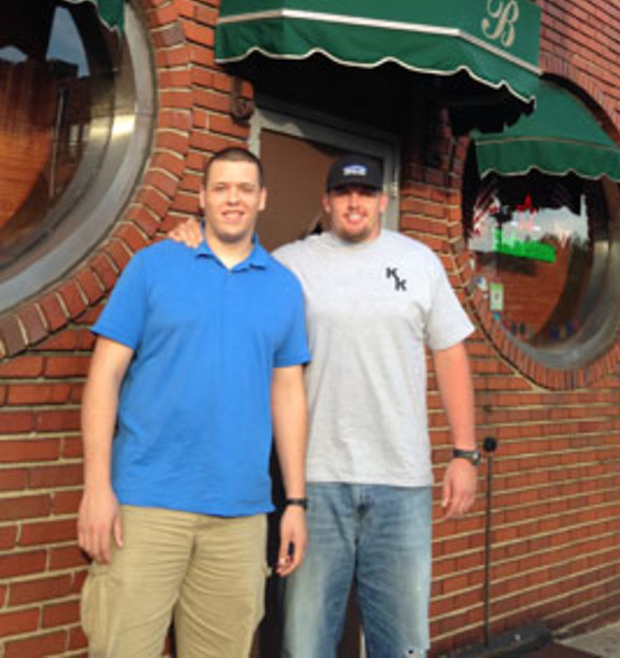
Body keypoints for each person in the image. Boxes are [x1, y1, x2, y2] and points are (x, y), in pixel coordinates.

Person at [77, 146, 310, 658]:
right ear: (202, 197)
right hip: (143, 505)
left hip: (241, 515)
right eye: (221, 188)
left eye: (245, 189)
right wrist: (97, 487)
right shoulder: (153, 267)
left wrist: (295, 501)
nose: (233, 199)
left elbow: (288, 394)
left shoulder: (284, 287)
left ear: (262, 199)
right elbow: (105, 375)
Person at [280, 153, 479, 658]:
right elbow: (230, 269)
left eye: (365, 193)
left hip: (402, 482)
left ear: (382, 202)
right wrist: (188, 234)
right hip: (317, 479)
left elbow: (450, 353)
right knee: (305, 642)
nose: (354, 203)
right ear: (326, 202)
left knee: (405, 642)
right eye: (344, 194)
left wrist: (464, 454)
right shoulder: (290, 264)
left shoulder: (419, 261)